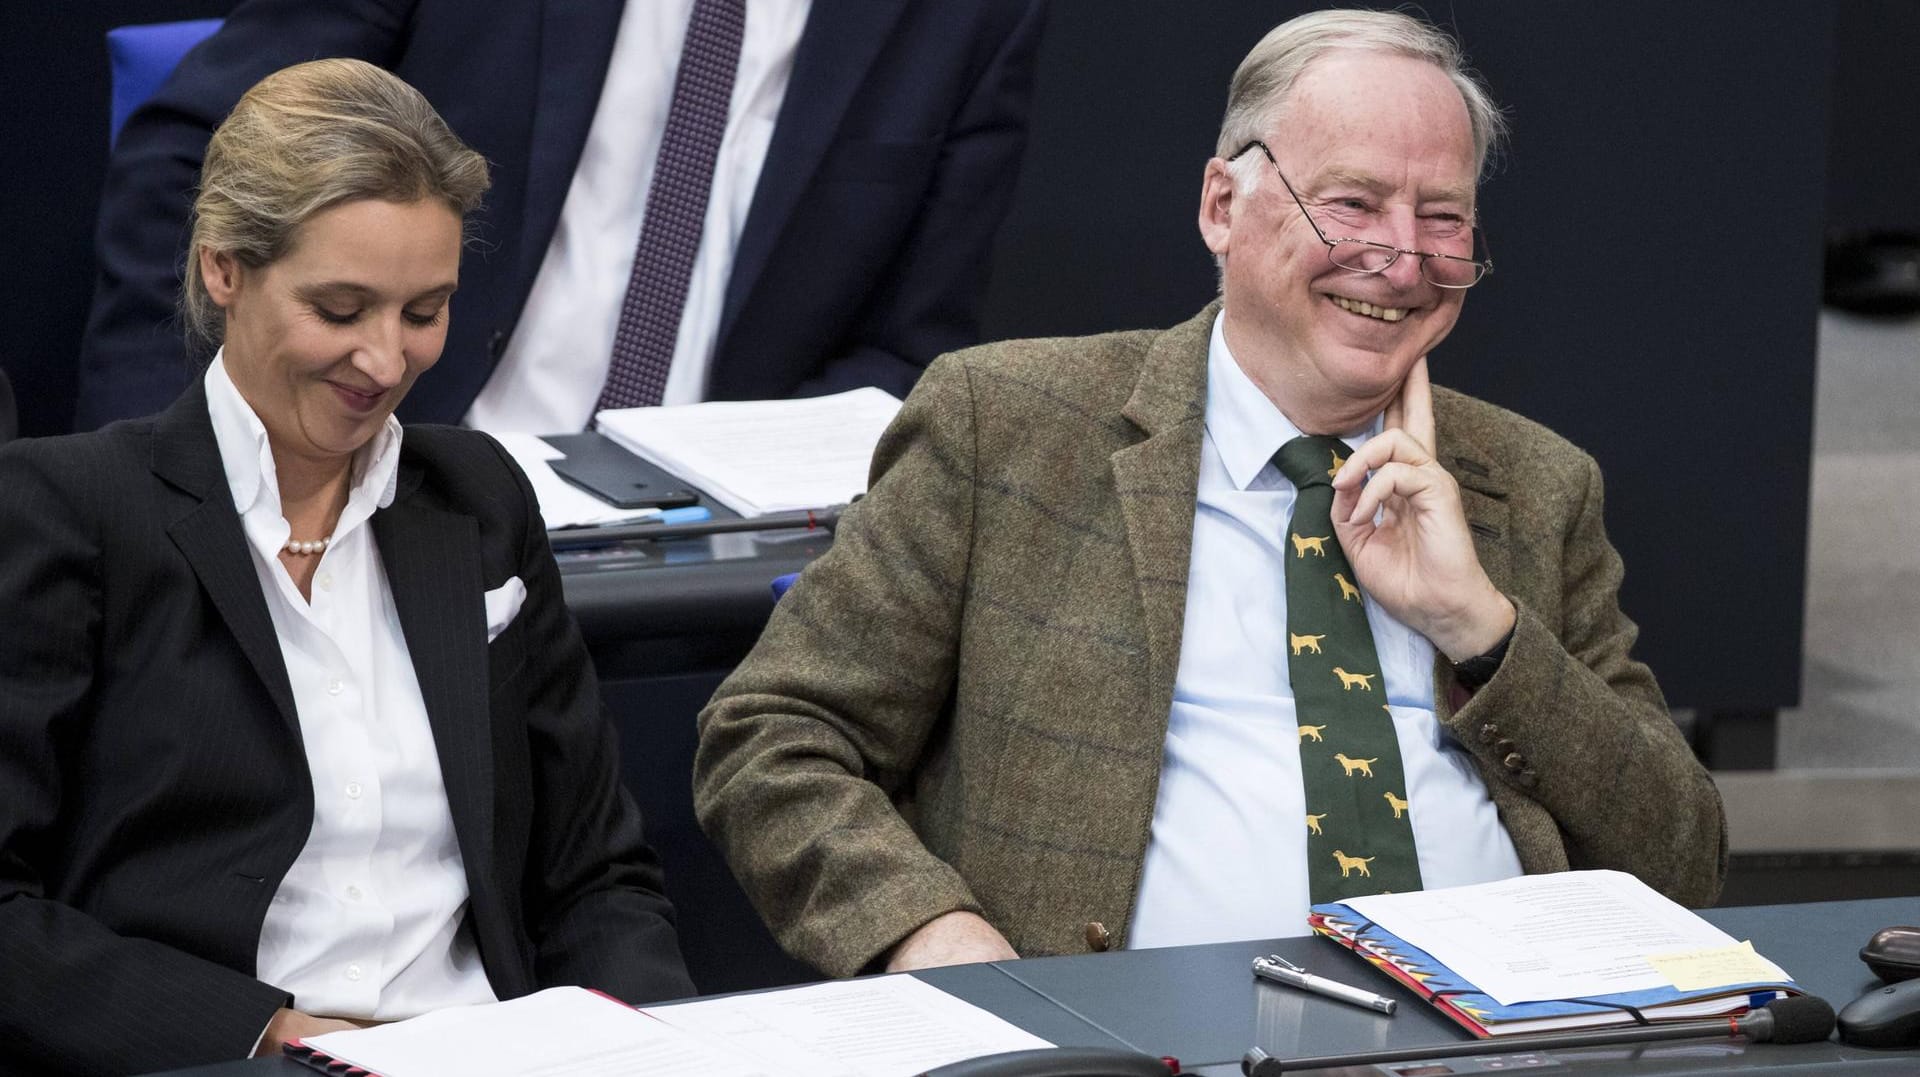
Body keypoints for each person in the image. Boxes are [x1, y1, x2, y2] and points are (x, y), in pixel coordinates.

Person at [692, 9, 1726, 979]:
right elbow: (774, 734)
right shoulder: (1007, 427)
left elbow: (1684, 859)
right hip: (1125, 1040)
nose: (1401, 257)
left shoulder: (1533, 485)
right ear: (1222, 207)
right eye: (1354, 202)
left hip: (1494, 1035)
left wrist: (1480, 626)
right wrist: (925, 929)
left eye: (1443, 217)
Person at [0, 60, 693, 1075]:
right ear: (222, 271)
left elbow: (595, 874)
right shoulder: (69, 511)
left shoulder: (478, 499)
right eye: (340, 308)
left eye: (424, 312)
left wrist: (653, 1049)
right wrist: (271, 1034)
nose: (385, 360)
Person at [77, 0, 1045, 432]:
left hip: (701, 587)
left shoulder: (970, 16)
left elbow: (905, 354)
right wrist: (149, 487)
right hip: (393, 476)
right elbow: (196, 164)